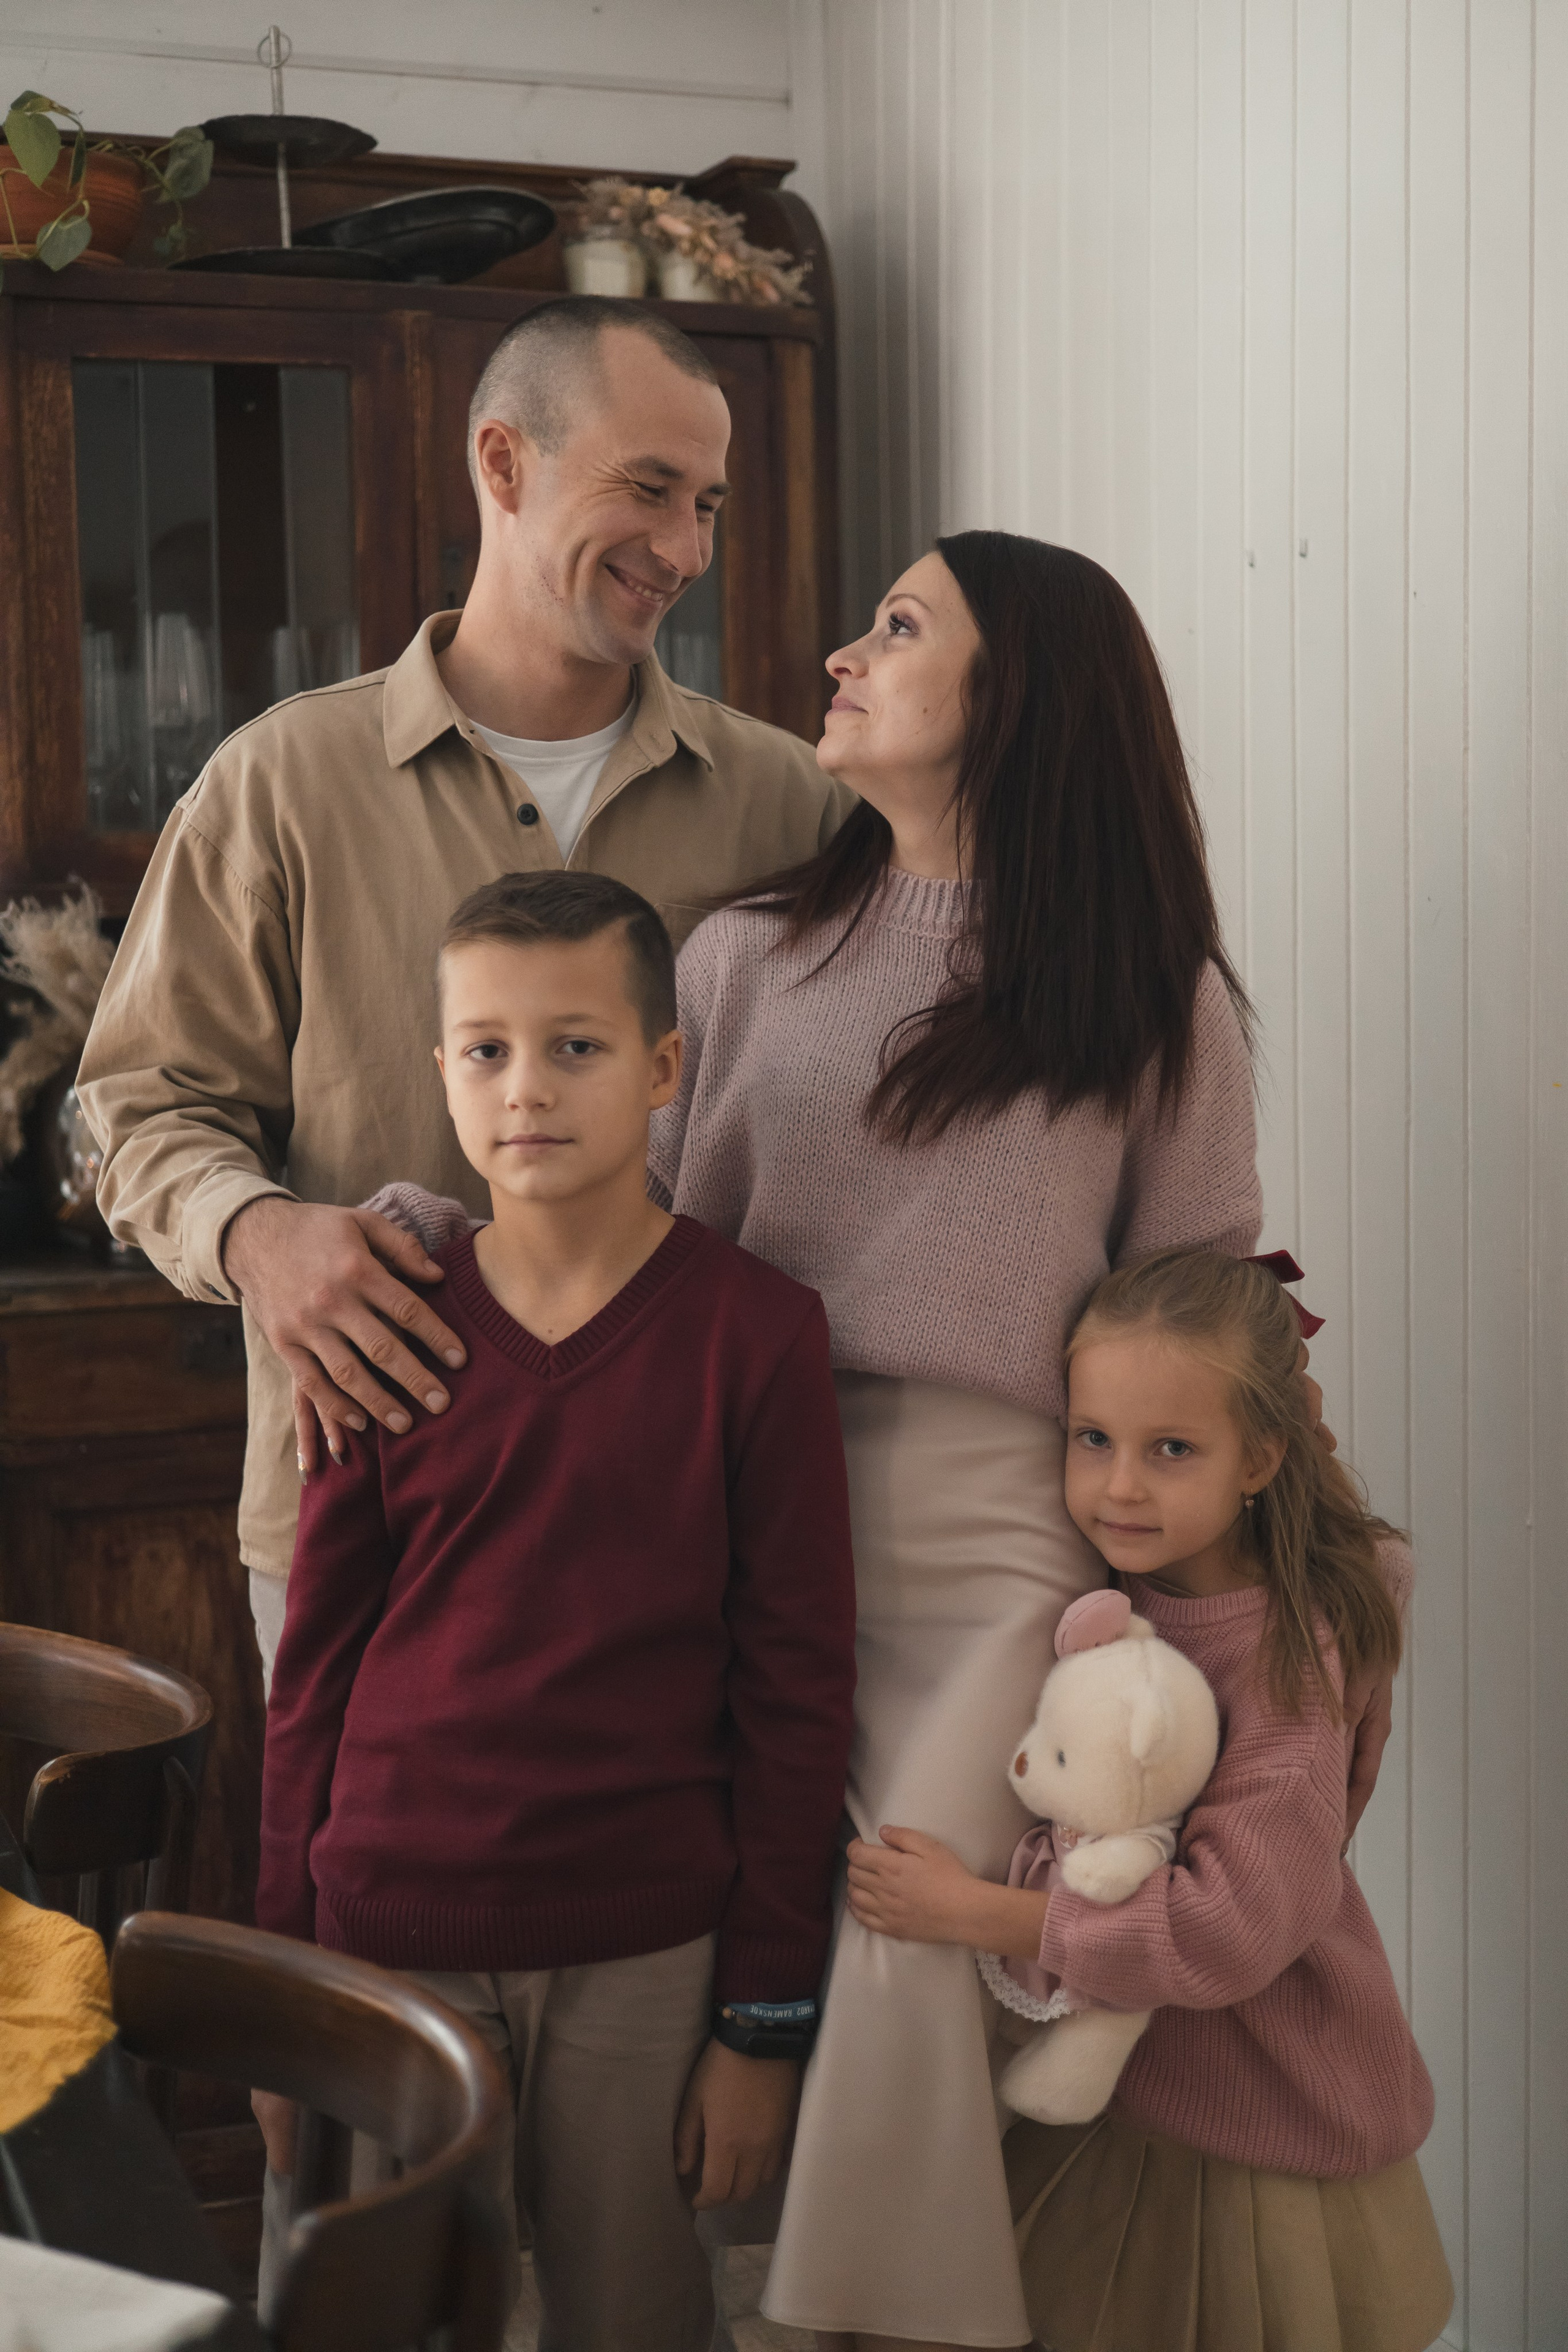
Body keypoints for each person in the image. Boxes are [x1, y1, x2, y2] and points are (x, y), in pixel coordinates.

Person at [359, 529, 1395, 2346]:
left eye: (901, 628)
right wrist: (421, 1237)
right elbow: (627, 1218)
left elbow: (1199, 1320)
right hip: (719, 1496)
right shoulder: (745, 954)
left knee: (909, 1928)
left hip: (997, 1544)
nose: (843, 652)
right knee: (703, 1913)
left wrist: (1288, 1586)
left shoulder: (1159, 1005)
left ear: (1022, 708)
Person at [75, 295, 851, 1689]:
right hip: (361, 1514)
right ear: (504, 465)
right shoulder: (278, 783)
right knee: (347, 1908)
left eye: (711, 506)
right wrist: (255, 1235)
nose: (686, 551)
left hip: (680, 1530)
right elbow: (139, 1102)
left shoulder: (786, 802)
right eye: (649, 490)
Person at [255, 871, 857, 2352]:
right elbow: (311, 1676)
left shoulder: (757, 1337)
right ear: (442, 1066)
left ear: (663, 1069)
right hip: (386, 1936)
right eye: (485, 1050)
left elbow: (796, 1695)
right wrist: (277, 1985)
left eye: (576, 1047)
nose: (526, 1089)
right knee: (372, 2326)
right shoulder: (386, 1318)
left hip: (648, 1952)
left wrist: (761, 2026)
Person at [846, 1248, 1452, 2352]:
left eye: (1171, 1450)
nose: (1120, 1486)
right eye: (1094, 1441)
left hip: (1263, 2127)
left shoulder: (1286, 1662)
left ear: (1261, 1457)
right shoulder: (1110, 1591)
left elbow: (1230, 1928)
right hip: (1127, 2105)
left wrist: (977, 1913)